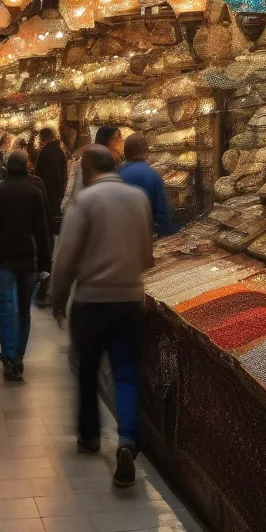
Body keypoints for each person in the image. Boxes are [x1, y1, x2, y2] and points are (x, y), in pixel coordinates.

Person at [51, 145, 154, 490]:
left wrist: (58, 295)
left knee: (87, 369)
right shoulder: (139, 198)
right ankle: (126, 439)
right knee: (125, 371)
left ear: (89, 168)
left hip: (92, 300)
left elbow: (65, 257)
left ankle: (90, 435)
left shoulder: (87, 201)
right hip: (128, 298)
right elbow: (146, 256)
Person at [0, 149, 52, 382]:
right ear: (26, 166)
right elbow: (43, 232)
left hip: (4, 259)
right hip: (27, 260)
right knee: (23, 311)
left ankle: (9, 355)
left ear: (7, 166)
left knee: (5, 309)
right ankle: (19, 354)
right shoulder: (34, 193)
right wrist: (44, 265)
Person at [34, 128, 68, 307]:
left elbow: (40, 180)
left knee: (48, 246)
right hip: (57, 202)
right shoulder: (59, 151)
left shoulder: (46, 152)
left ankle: (46, 287)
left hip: (49, 204)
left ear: (42, 139)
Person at [118, 133, 173, 238]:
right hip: (142, 236)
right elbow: (162, 215)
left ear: (126, 152)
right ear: (147, 153)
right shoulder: (153, 176)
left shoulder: (117, 173)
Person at [62, 124, 122, 216]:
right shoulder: (91, 159)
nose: (120, 141)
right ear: (108, 141)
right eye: (117, 138)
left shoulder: (109, 158)